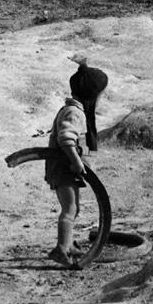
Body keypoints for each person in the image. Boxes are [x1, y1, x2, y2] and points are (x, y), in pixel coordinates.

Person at [44, 60, 108, 268]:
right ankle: (61, 249)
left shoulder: (73, 109)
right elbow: (66, 138)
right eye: (100, 96)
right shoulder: (75, 114)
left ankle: (68, 244)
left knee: (74, 208)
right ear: (92, 96)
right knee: (70, 209)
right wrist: (76, 161)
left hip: (65, 168)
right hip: (64, 168)